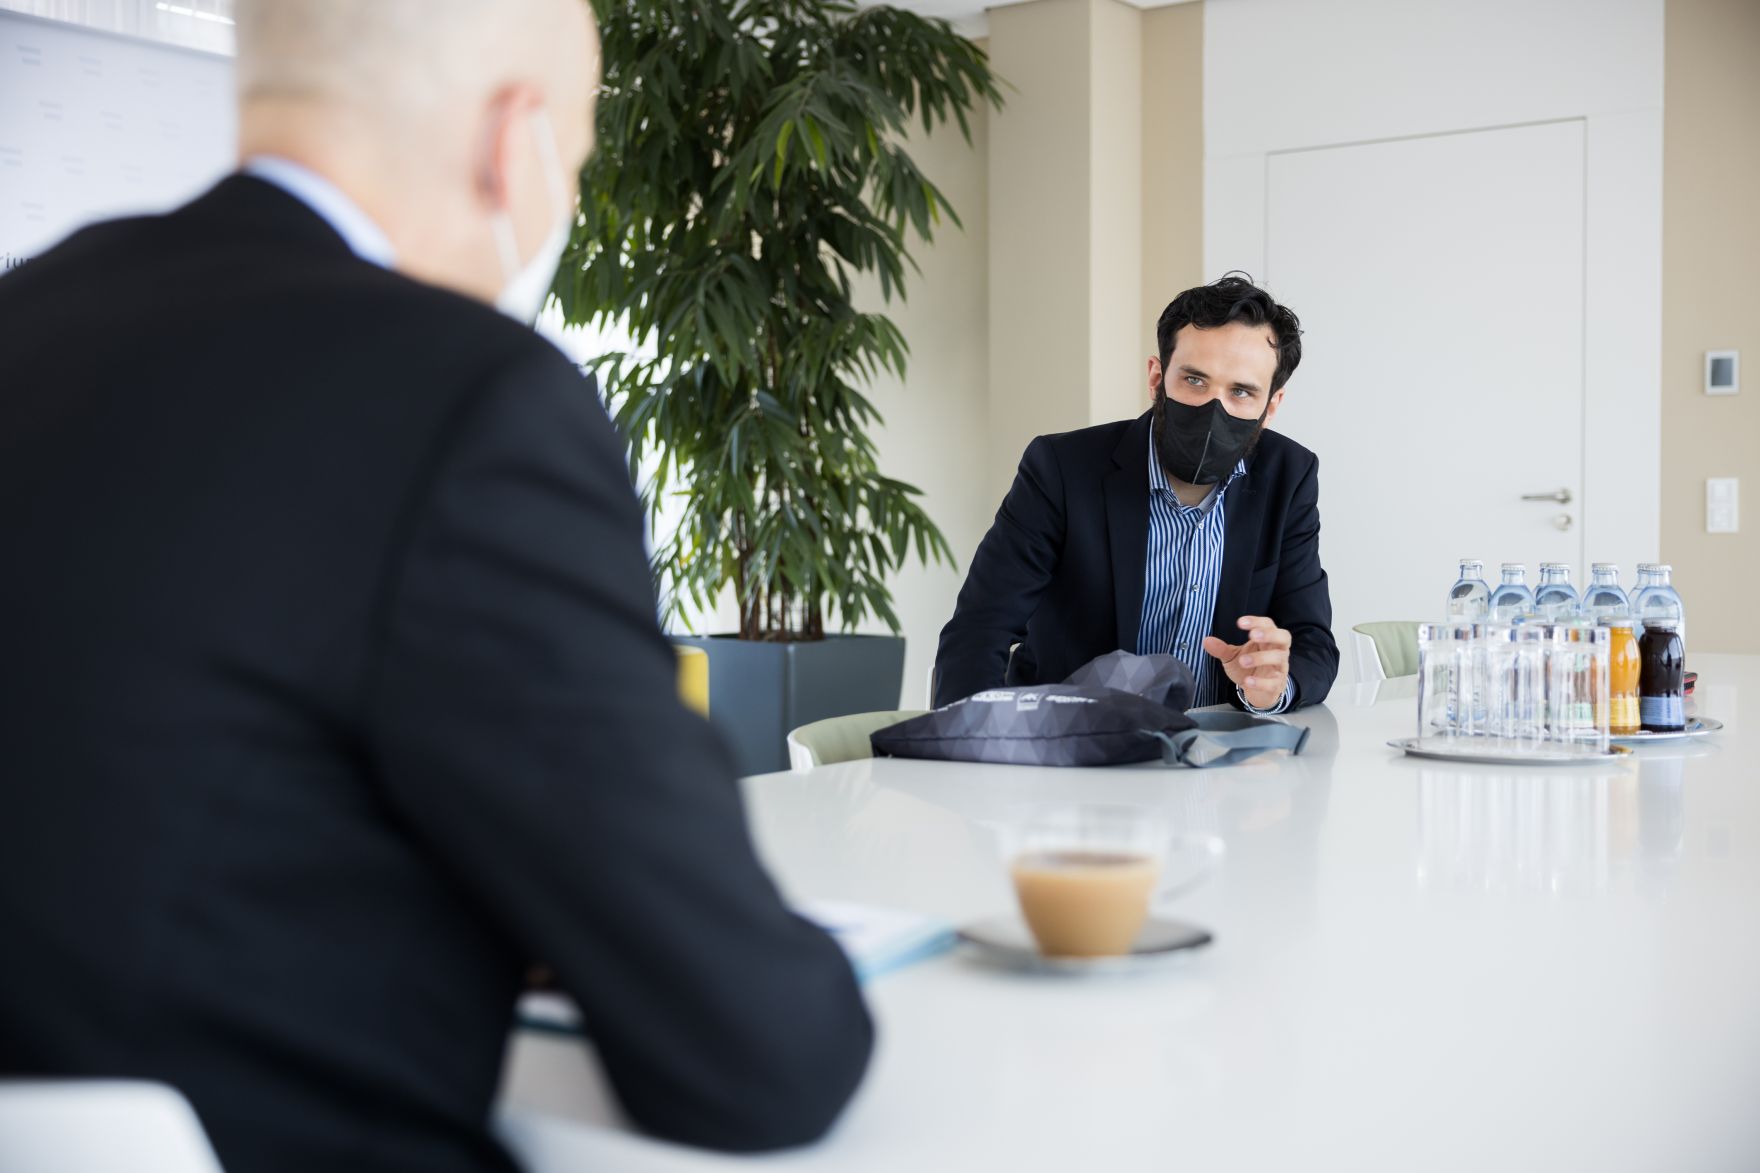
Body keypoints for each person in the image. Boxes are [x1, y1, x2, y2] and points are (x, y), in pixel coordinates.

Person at [0, 2, 871, 1170]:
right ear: (514, 142)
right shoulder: (475, 400)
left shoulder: (33, 311)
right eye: (571, 158)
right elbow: (758, 1053)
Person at [934, 274, 1338, 711]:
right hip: (1072, 749)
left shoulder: (1289, 476)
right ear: (1156, 376)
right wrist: (969, 745)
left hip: (1216, 758)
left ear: (1271, 406)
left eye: (1241, 391)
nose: (1213, 408)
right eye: (1194, 381)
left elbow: (1311, 642)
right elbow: (980, 627)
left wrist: (1274, 688)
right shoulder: (1062, 468)